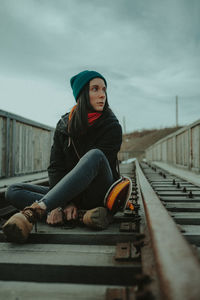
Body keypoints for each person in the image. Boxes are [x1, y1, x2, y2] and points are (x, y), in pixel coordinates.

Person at [3, 70, 122, 243]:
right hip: (68, 194)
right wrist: (62, 204)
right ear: (82, 94)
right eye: (95, 89)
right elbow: (55, 167)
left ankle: (36, 211)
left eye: (104, 89)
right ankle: (81, 216)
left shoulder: (112, 126)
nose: (102, 95)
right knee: (12, 191)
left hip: (97, 192)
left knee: (95, 155)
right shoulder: (64, 126)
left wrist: (60, 202)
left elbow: (96, 165)